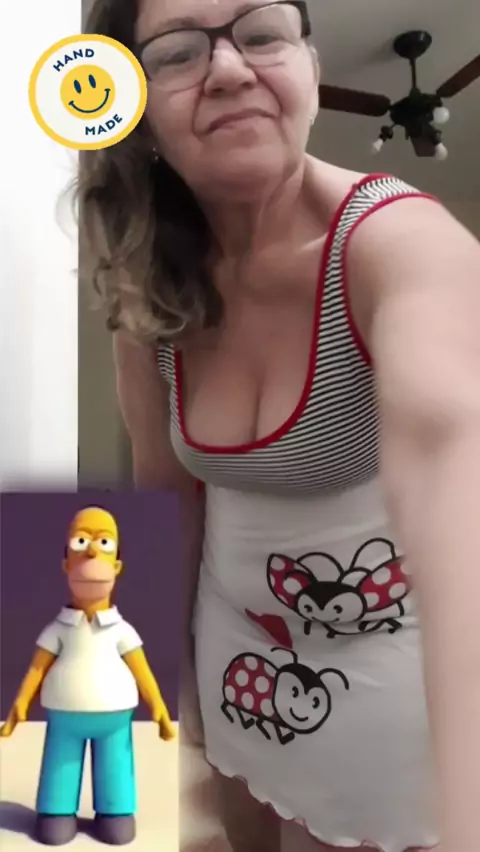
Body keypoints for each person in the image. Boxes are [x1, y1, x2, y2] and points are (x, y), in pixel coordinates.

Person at [78, 2, 480, 851]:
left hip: (398, 682)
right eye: (178, 53)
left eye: (261, 33)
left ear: (309, 65)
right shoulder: (149, 282)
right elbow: (164, 500)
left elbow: (457, 498)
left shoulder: (404, 246)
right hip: (235, 649)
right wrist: (143, 695)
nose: (230, 70)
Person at [0, 506, 175, 846]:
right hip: (64, 717)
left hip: (115, 718)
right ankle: (56, 812)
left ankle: (116, 812)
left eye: (103, 543)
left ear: (117, 567)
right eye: (81, 542)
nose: (92, 553)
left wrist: (160, 710)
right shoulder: (58, 628)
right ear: (66, 565)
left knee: (116, 767)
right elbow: (37, 667)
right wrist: (19, 705)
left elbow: (142, 670)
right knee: (60, 766)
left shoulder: (121, 630)